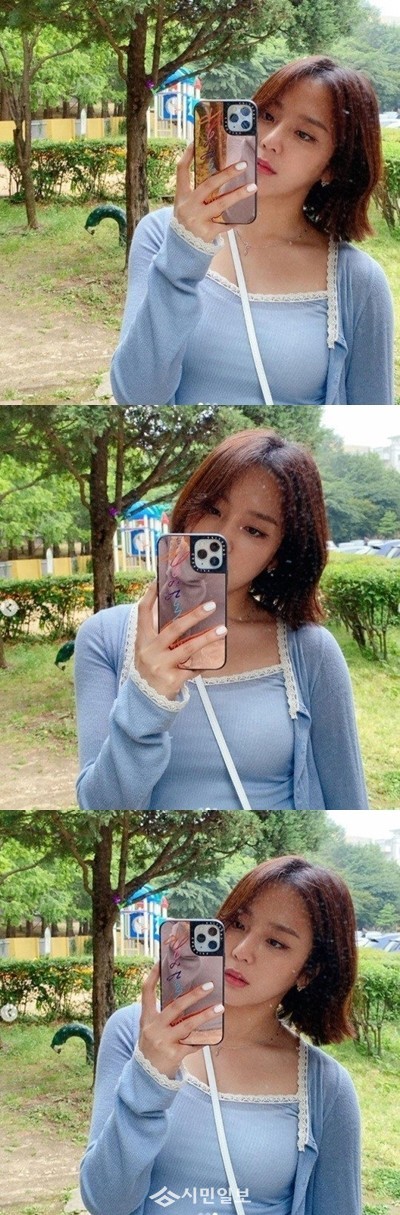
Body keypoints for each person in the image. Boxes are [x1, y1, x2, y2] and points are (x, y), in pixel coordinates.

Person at [74, 428, 368, 811]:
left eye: (254, 530)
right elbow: (98, 809)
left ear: (277, 555)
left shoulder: (310, 650)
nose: (221, 538)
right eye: (212, 508)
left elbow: (349, 801)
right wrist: (146, 698)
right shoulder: (105, 638)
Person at [80, 855, 362, 1215]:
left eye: (276, 942)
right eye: (238, 924)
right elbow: (105, 1202)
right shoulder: (133, 1032)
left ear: (309, 971)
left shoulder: (327, 1088)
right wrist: (150, 1076)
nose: (241, 951)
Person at [110, 55, 394, 407]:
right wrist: (184, 253)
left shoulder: (359, 282)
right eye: (267, 115)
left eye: (304, 134)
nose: (270, 139)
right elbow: (136, 396)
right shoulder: (160, 234)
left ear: (332, 166)